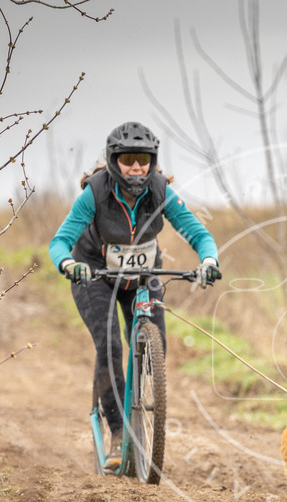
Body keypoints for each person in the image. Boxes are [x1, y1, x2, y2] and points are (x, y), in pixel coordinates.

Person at [48, 121, 221, 471]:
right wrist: (68, 263)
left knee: (157, 345)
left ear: (153, 160)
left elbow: (197, 232)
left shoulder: (161, 192)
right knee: (110, 345)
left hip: (144, 274)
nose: (137, 167)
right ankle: (116, 433)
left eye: (143, 159)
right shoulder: (94, 193)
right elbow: (59, 242)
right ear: (114, 160)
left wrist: (208, 260)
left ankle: (139, 400)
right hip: (95, 274)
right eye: (128, 159)